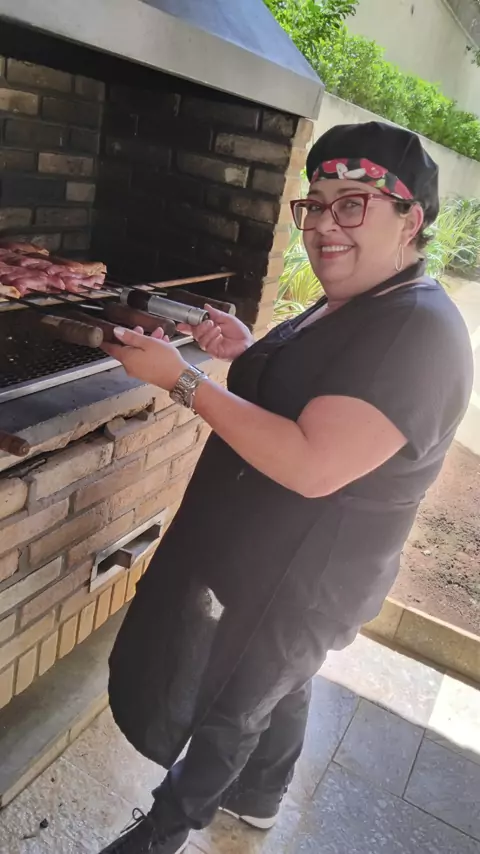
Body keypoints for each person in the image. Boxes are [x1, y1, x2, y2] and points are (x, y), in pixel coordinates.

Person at [98, 122, 473, 854]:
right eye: (317, 204)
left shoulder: (419, 331)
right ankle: (262, 797)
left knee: (237, 700)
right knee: (283, 680)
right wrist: (248, 349)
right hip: (270, 555)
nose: (325, 225)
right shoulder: (360, 298)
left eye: (353, 203)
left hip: (310, 578)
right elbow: (314, 387)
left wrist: (181, 379)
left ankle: (162, 833)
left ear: (411, 219)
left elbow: (312, 462)